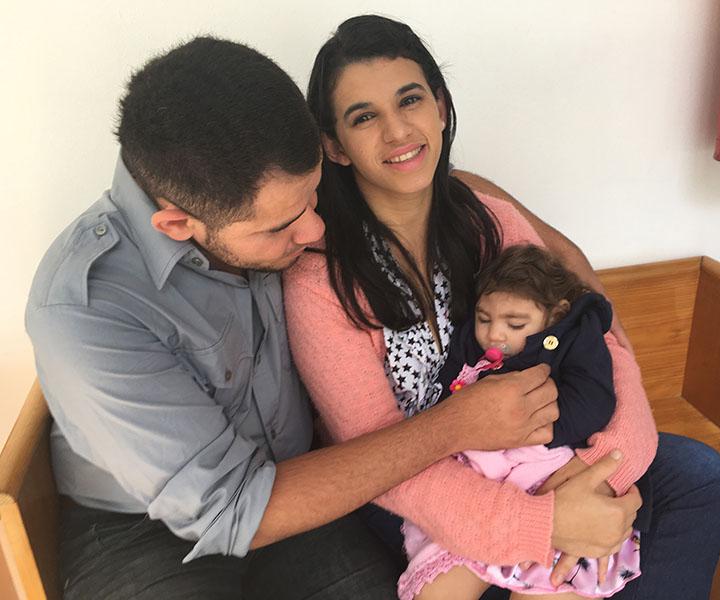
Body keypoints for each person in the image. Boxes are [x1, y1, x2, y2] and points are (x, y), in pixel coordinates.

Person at [25, 36, 567, 600]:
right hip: (143, 528)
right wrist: (458, 424)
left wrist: (580, 284)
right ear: (179, 225)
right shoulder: (87, 309)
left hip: (300, 481)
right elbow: (231, 510)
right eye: (282, 226)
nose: (314, 232)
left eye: (314, 198)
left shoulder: (266, 191)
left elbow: (448, 186)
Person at [285, 14, 720, 600]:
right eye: (364, 117)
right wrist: (544, 522)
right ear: (334, 146)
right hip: (417, 486)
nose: (397, 132)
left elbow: (599, 341)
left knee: (701, 481)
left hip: (543, 453)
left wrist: (597, 473)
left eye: (410, 100)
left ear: (441, 107)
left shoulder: (487, 220)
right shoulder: (322, 278)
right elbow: (377, 458)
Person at [399, 244, 641, 600]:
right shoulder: (473, 340)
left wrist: (532, 430)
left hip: (545, 463)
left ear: (554, 315)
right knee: (437, 582)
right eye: (485, 319)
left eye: (515, 324)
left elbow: (594, 401)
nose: (495, 335)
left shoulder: (576, 338)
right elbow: (448, 393)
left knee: (552, 580)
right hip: (476, 476)